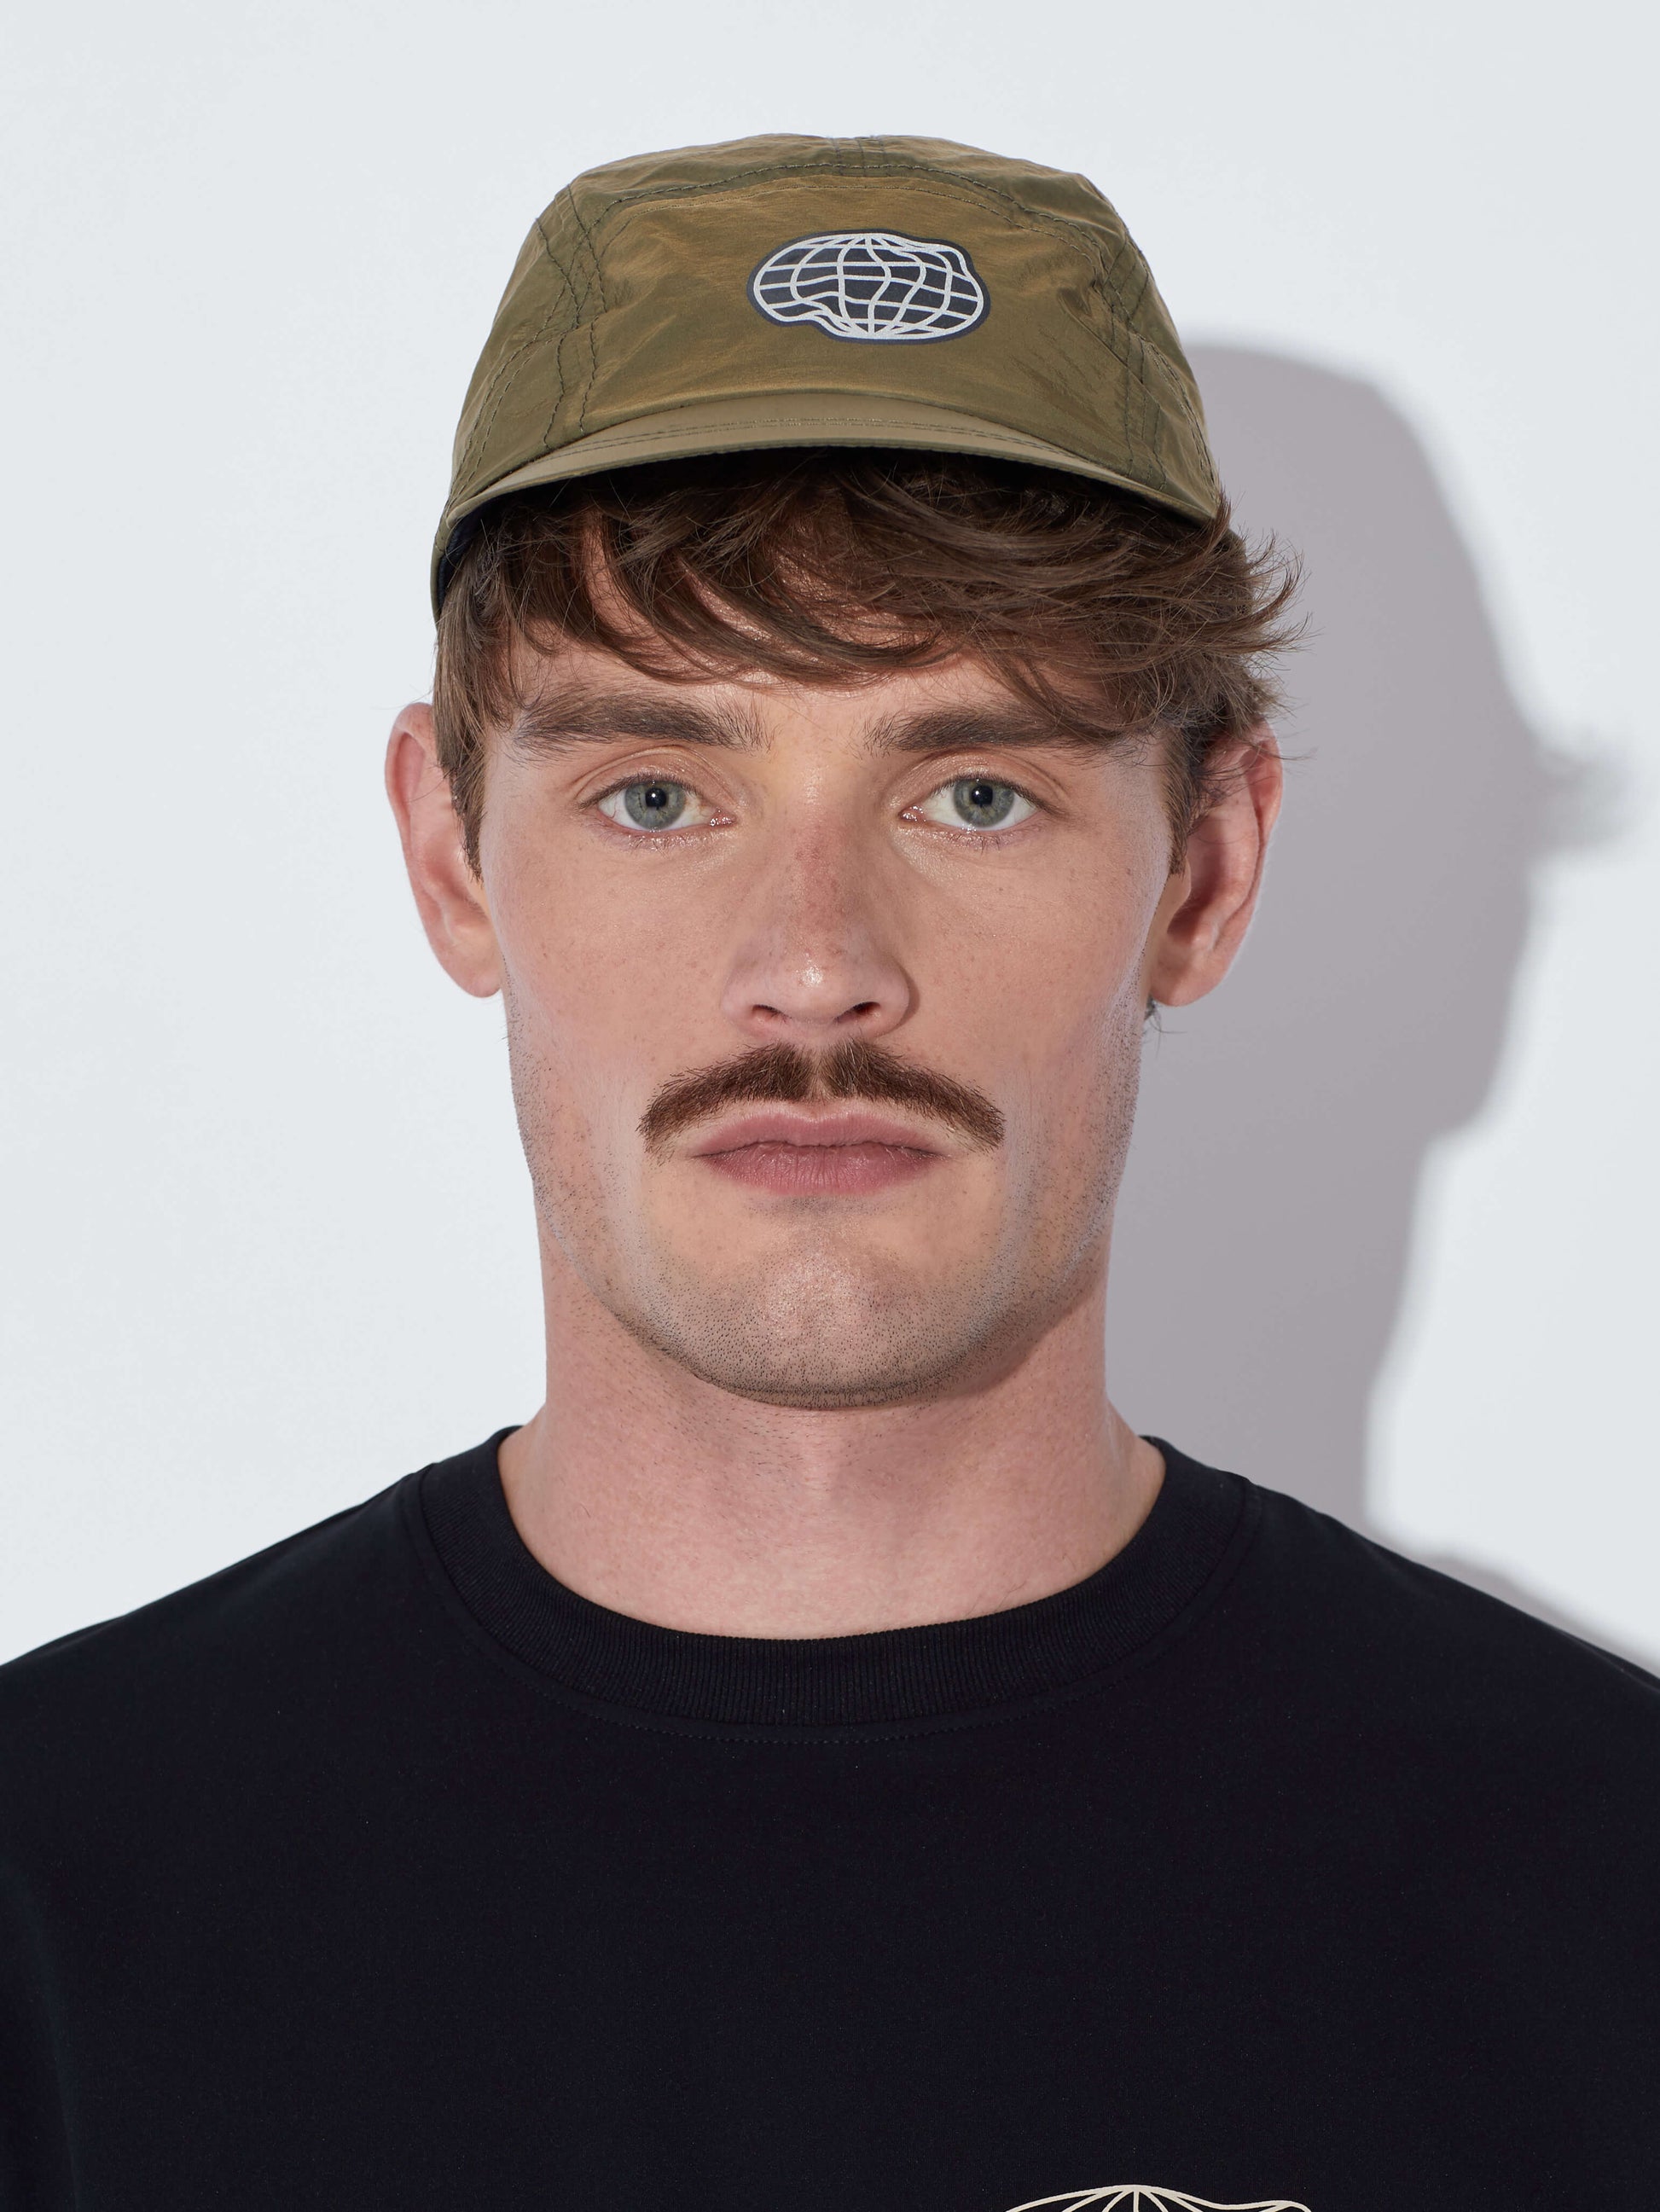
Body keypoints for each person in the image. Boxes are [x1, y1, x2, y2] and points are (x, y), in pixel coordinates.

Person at [0, 134, 1654, 2212]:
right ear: (449, 856)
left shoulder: (1602, 1893)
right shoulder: (54, 1897)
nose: (811, 965)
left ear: (1206, 873)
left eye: (974, 792)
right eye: (655, 791)